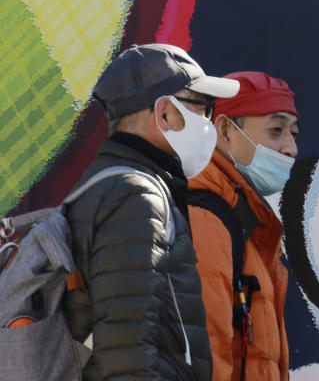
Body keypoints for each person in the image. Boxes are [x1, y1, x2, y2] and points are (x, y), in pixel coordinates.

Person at [65, 43, 240, 381]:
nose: (208, 123)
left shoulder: (119, 187)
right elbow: (128, 355)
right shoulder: (135, 197)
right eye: (202, 108)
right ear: (165, 113)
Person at [188, 71, 299, 381]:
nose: (291, 148)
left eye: (293, 132)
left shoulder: (241, 217)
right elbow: (205, 360)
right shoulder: (205, 219)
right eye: (276, 130)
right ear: (224, 129)